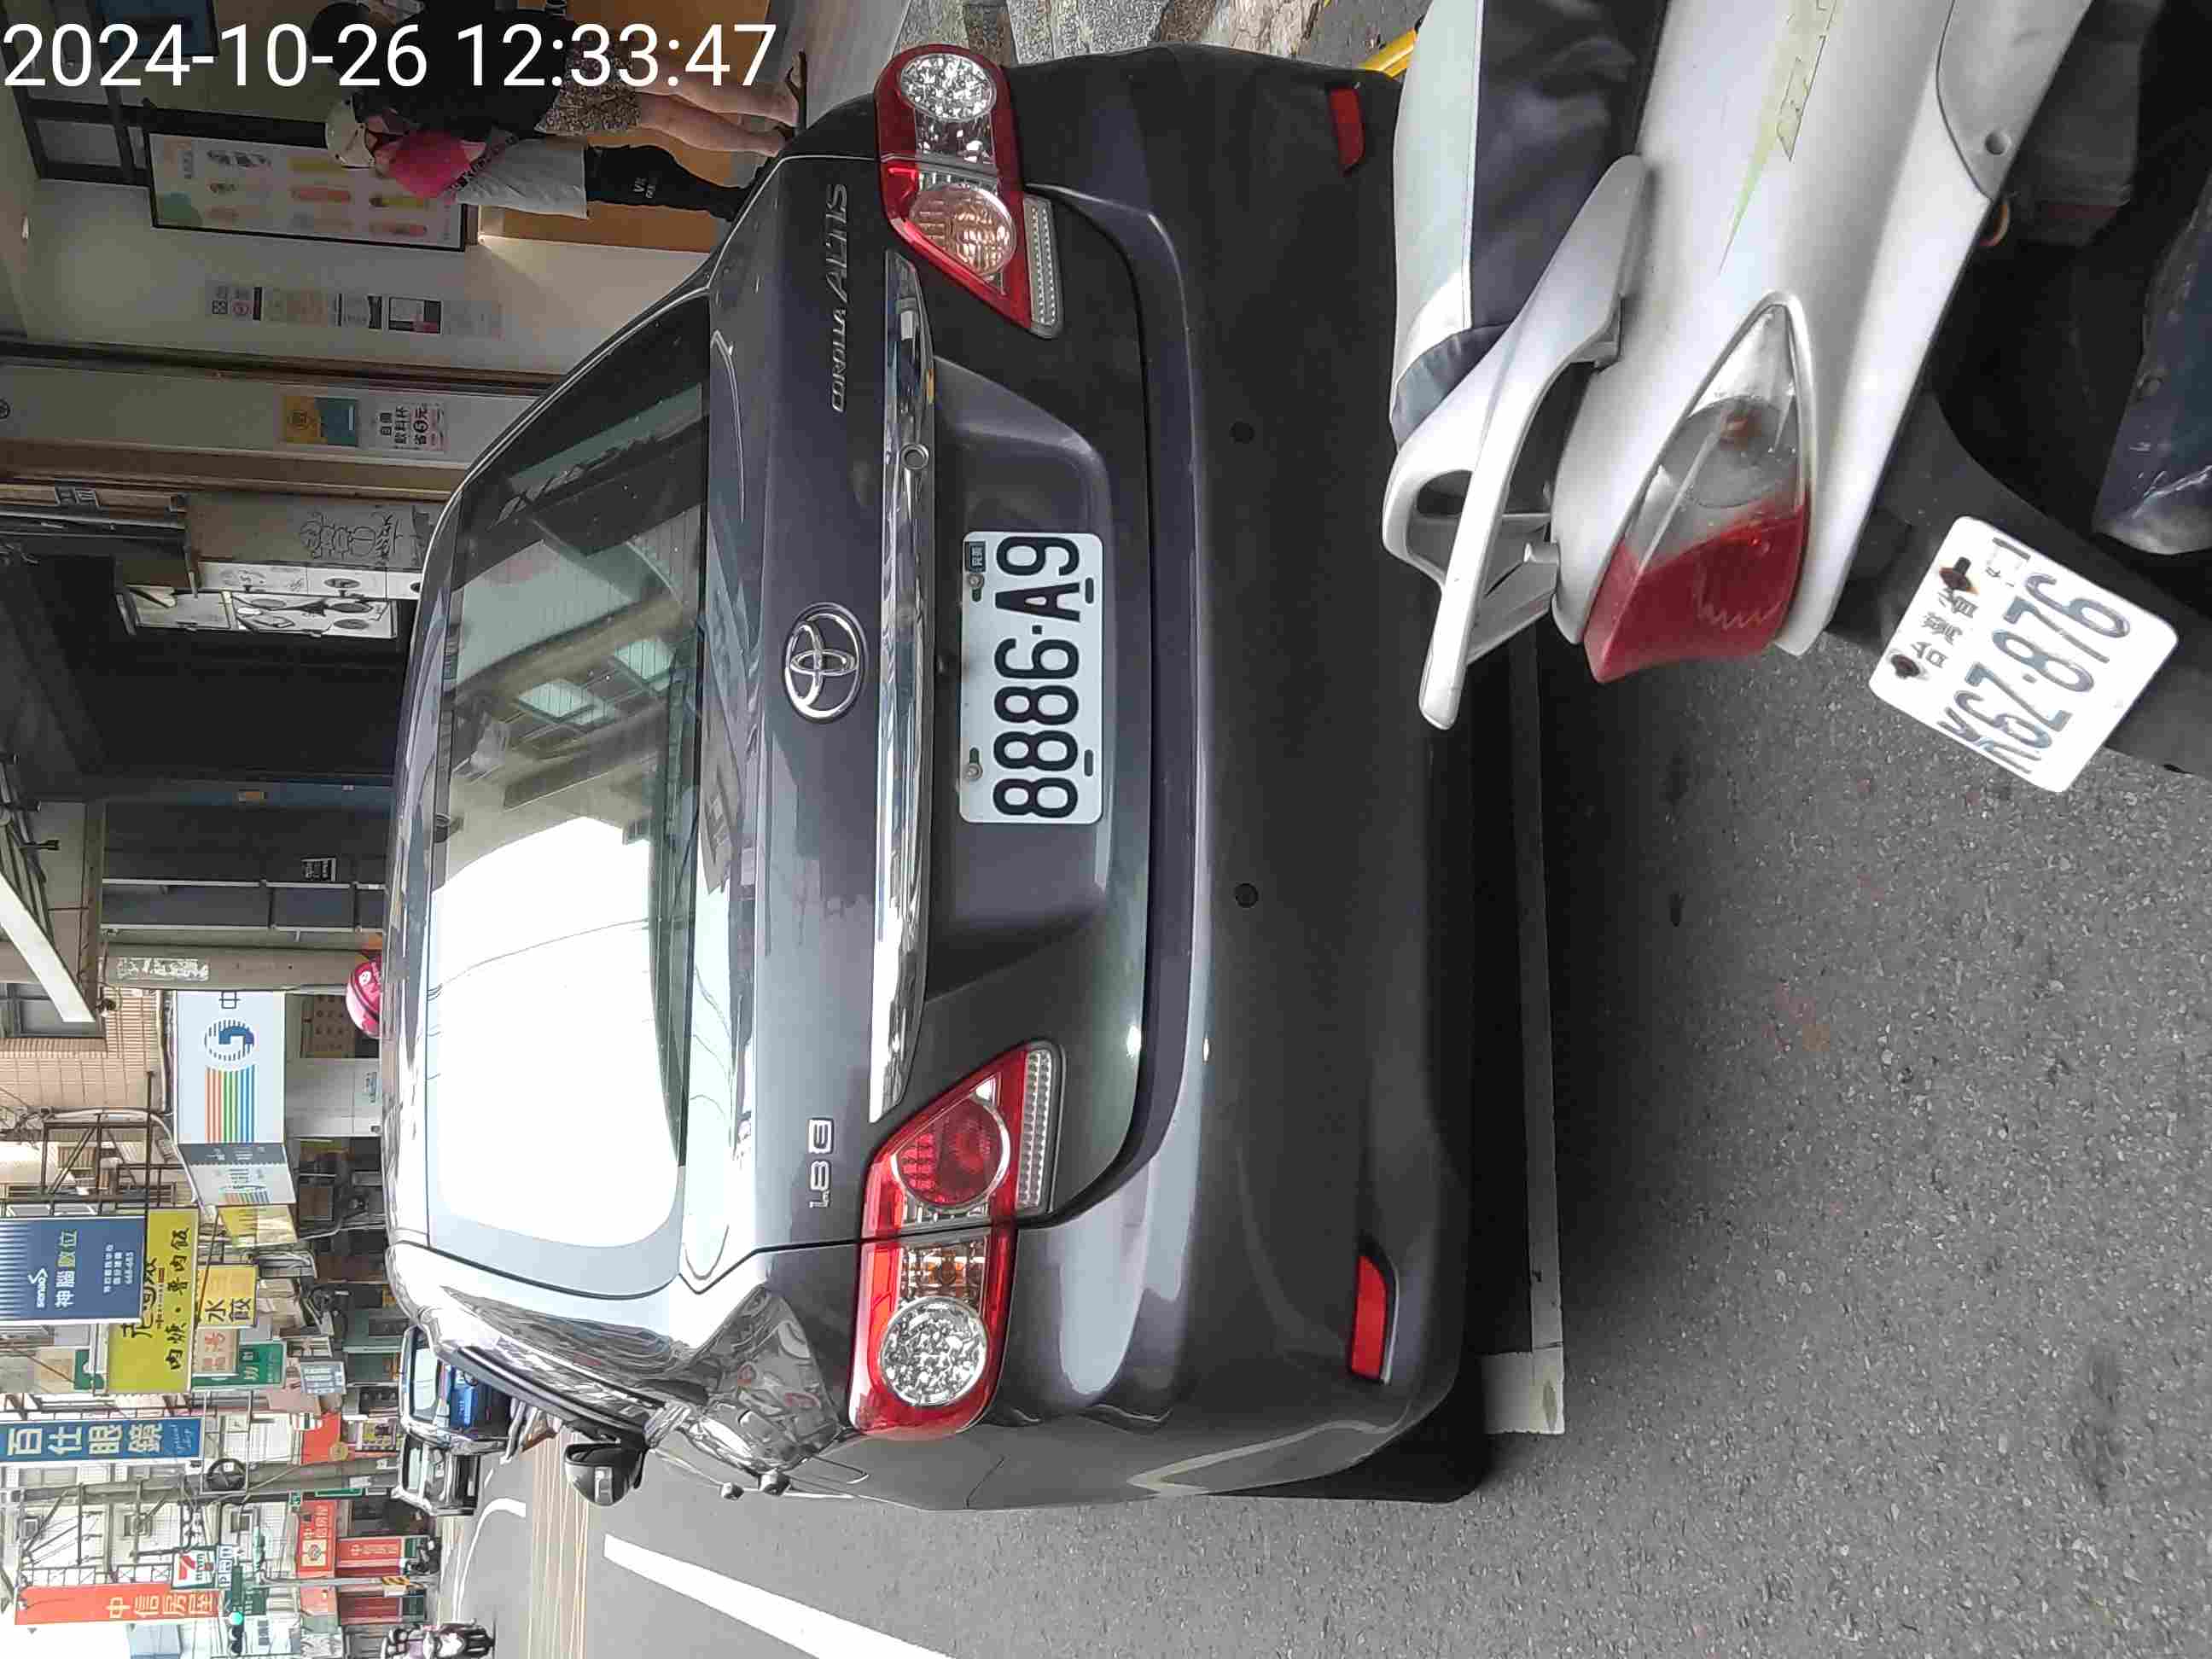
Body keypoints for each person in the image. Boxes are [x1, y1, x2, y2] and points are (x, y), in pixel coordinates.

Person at [308, 1, 797, 160]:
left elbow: (472, 132)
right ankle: (780, 106)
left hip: (546, 113)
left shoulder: (403, 100)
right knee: (673, 78)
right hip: (556, 58)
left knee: (662, 118)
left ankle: (767, 145)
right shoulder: (419, 30)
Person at [327, 102, 752, 222]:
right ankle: (728, 203)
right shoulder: (413, 167)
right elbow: (473, 141)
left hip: (561, 169)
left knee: (651, 163)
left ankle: (727, 200)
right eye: (371, 119)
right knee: (653, 178)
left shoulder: (411, 156)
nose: (382, 115)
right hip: (561, 177)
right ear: (368, 141)